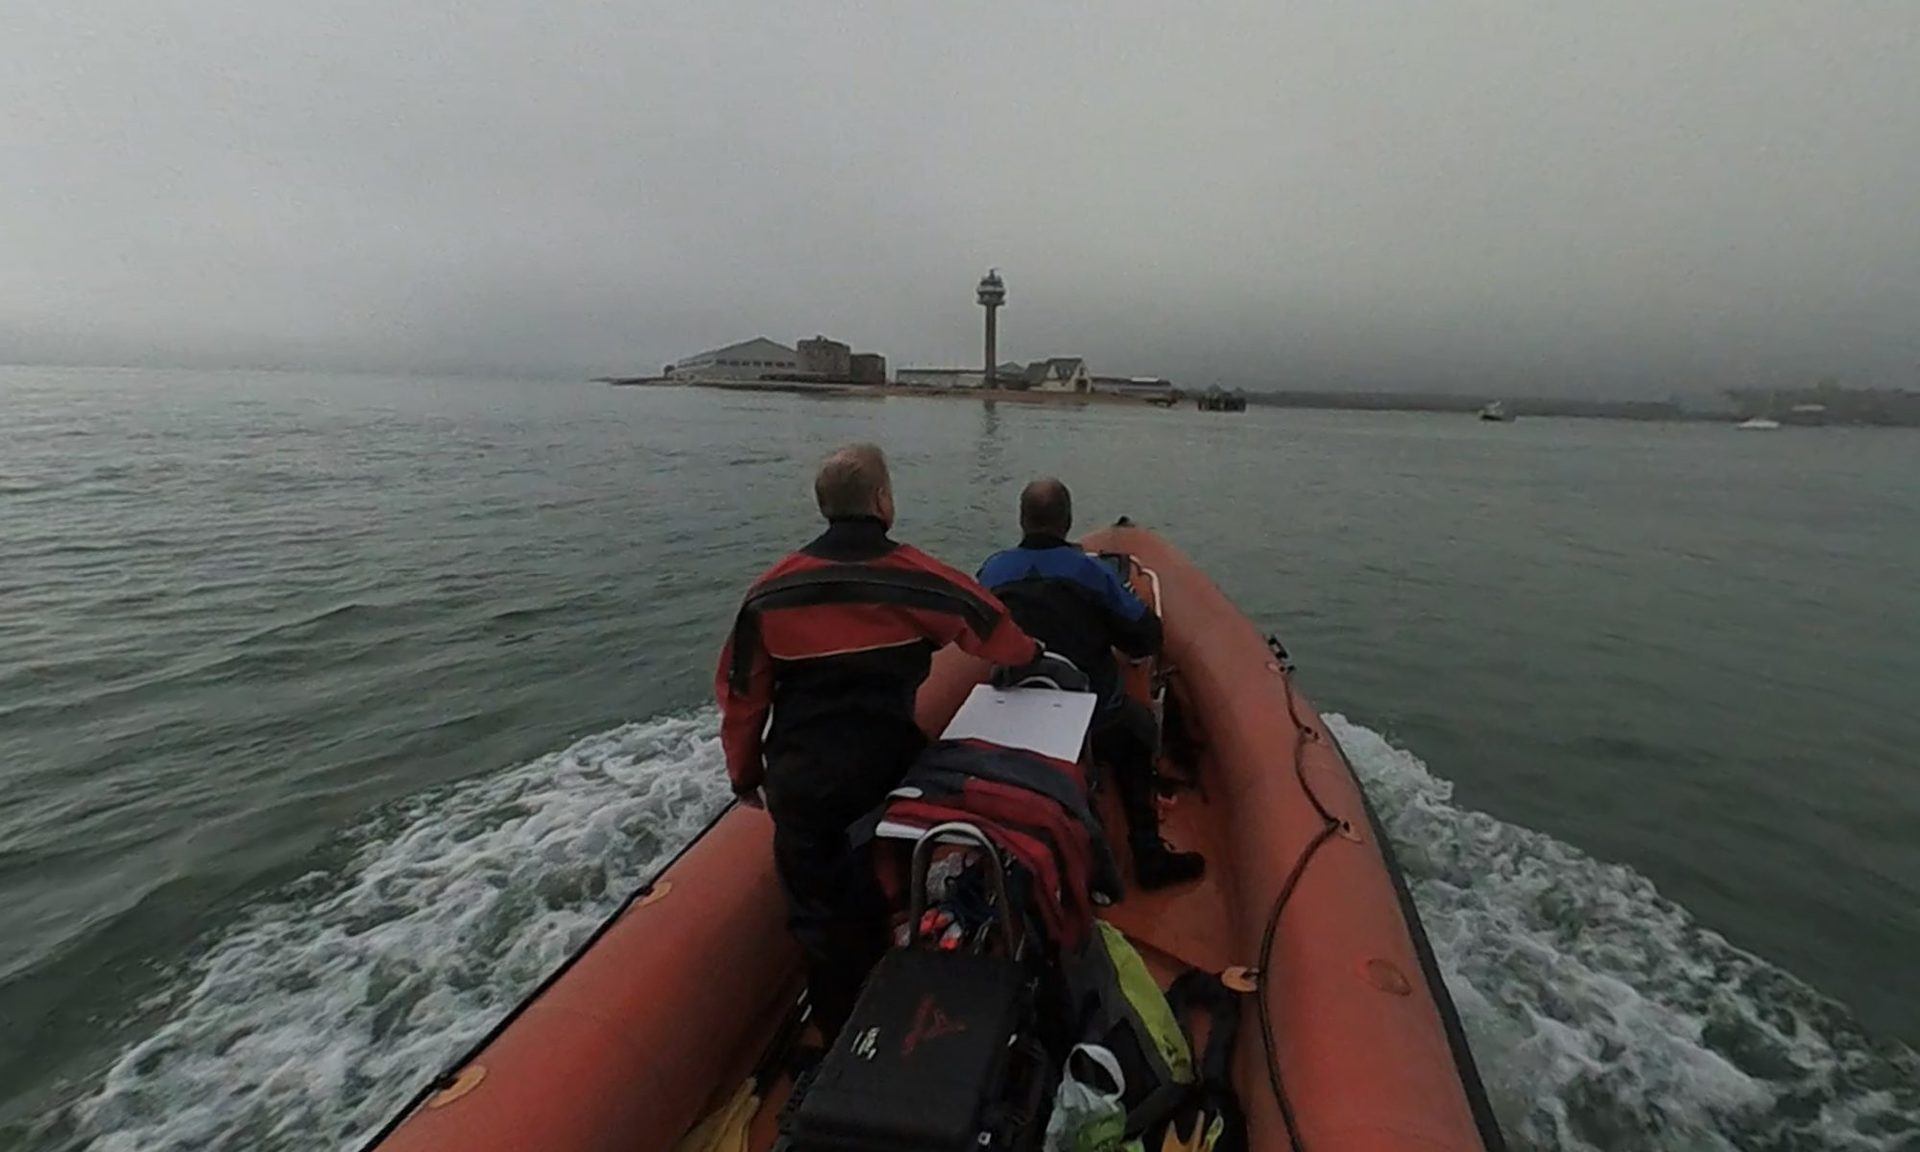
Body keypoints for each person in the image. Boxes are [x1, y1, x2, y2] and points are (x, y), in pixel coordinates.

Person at [715, 443, 1040, 1039]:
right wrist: (1032, 656)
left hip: (803, 786)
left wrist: (744, 778)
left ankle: (839, 1030)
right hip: (885, 779)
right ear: (883, 502)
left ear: (824, 507)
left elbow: (741, 702)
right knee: (889, 897)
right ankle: (900, 1018)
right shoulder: (919, 581)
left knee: (817, 922)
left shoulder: (768, 595)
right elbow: (994, 629)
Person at [977, 478, 1204, 890]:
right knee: (1138, 730)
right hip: (1090, 718)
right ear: (1067, 522)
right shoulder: (1091, 573)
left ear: (1022, 520)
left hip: (1015, 715)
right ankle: (1148, 856)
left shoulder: (992, 571)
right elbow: (1144, 635)